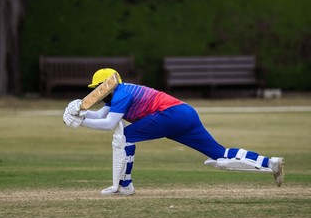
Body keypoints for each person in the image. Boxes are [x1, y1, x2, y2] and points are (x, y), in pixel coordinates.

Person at [63, 68, 285, 195]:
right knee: (219, 153)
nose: (98, 94)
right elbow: (101, 116)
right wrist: (80, 114)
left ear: (107, 86)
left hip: (171, 115)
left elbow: (110, 125)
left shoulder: (120, 93)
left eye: (99, 89)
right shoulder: (121, 91)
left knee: (126, 137)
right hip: (185, 113)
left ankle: (125, 185)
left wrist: (80, 123)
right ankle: (270, 163)